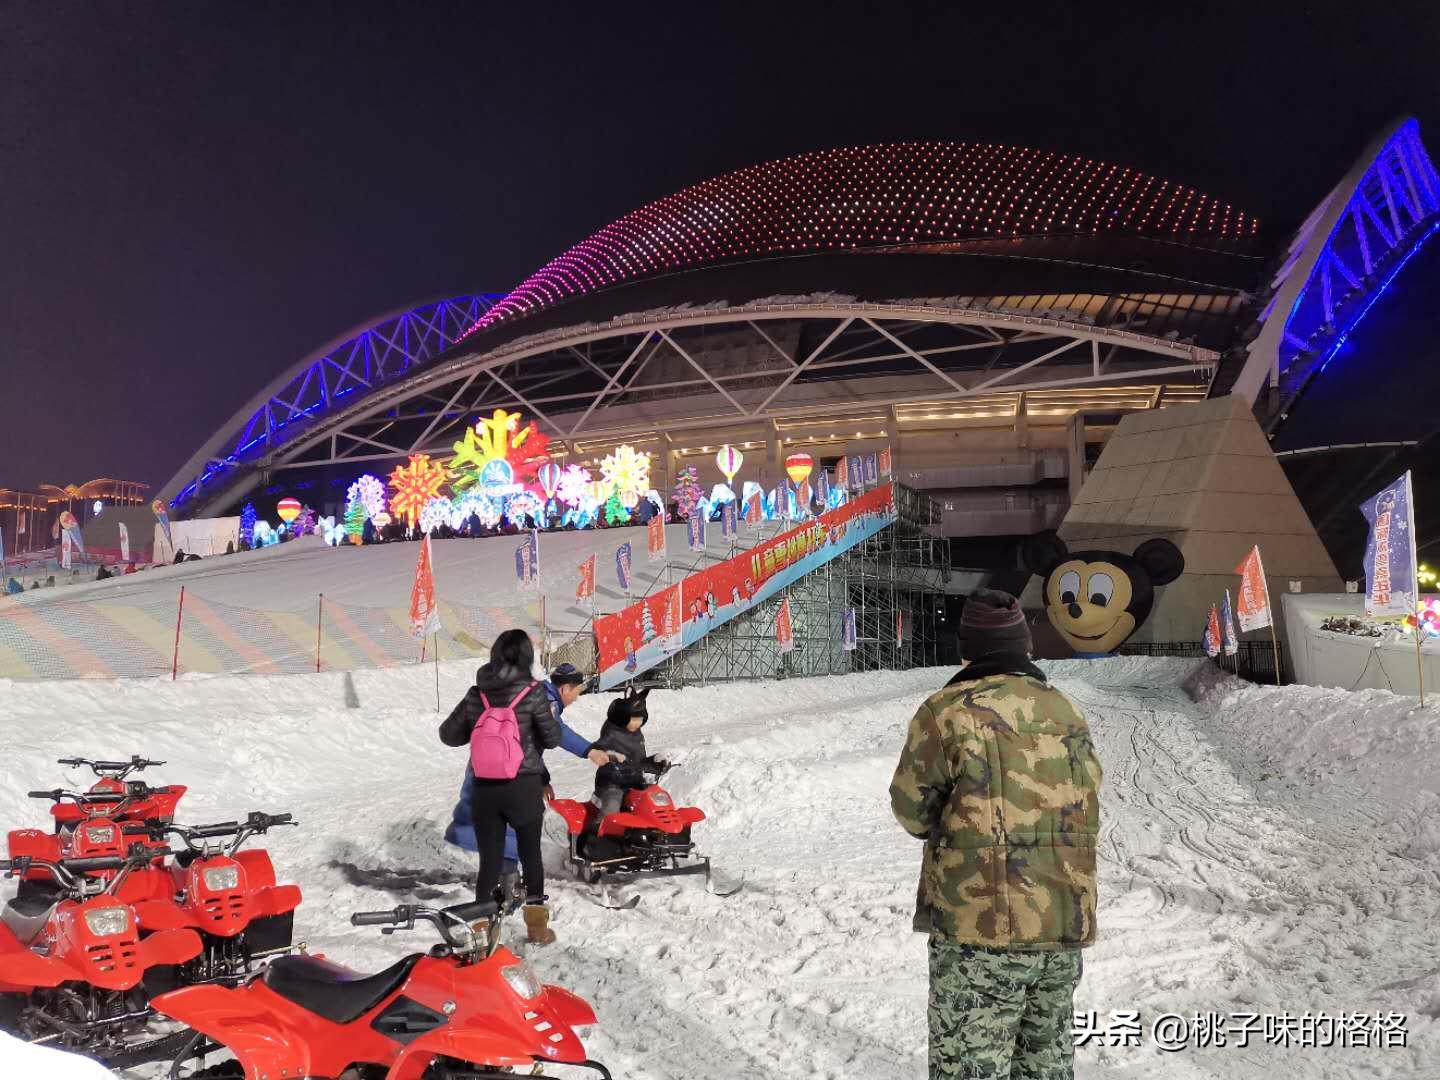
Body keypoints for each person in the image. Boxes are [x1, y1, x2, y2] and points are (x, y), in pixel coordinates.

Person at [889, 589, 1102, 1080]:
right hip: (1062, 921)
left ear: (969, 649)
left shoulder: (946, 711)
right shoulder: (1065, 711)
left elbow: (911, 809)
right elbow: (1088, 798)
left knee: (970, 1065)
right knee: (1045, 1063)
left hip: (980, 927)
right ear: (1023, 647)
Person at [439, 630, 561, 944]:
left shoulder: (476, 693)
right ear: (526, 657)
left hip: (485, 791)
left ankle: (482, 927)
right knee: (530, 853)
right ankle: (536, 927)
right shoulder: (534, 693)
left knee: (490, 860)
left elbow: (449, 735)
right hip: (523, 786)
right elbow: (552, 739)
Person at [444, 663, 611, 873]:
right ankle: (505, 880)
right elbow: (557, 731)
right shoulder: (544, 701)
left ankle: (501, 874)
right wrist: (589, 751)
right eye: (576, 692)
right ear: (565, 689)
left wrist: (542, 780)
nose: (576, 698)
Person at [589, 688, 668, 822]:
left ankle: (655, 834)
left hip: (635, 782)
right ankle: (599, 834)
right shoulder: (612, 731)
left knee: (656, 801)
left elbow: (638, 762)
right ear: (624, 716)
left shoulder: (637, 734)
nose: (638, 723)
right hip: (612, 783)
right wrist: (611, 755)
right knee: (612, 807)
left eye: (640, 719)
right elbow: (597, 748)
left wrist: (656, 763)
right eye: (634, 719)